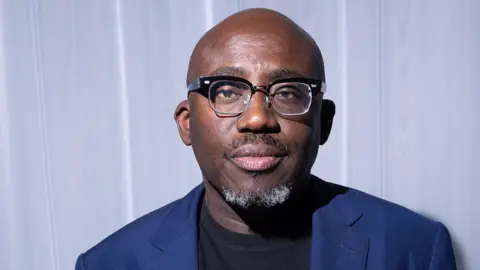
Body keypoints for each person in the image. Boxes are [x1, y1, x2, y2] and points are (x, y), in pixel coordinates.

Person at [75, 8, 456, 270]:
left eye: (289, 92)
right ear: (187, 123)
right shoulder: (113, 262)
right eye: (226, 91)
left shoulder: (414, 248)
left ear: (323, 122)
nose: (257, 118)